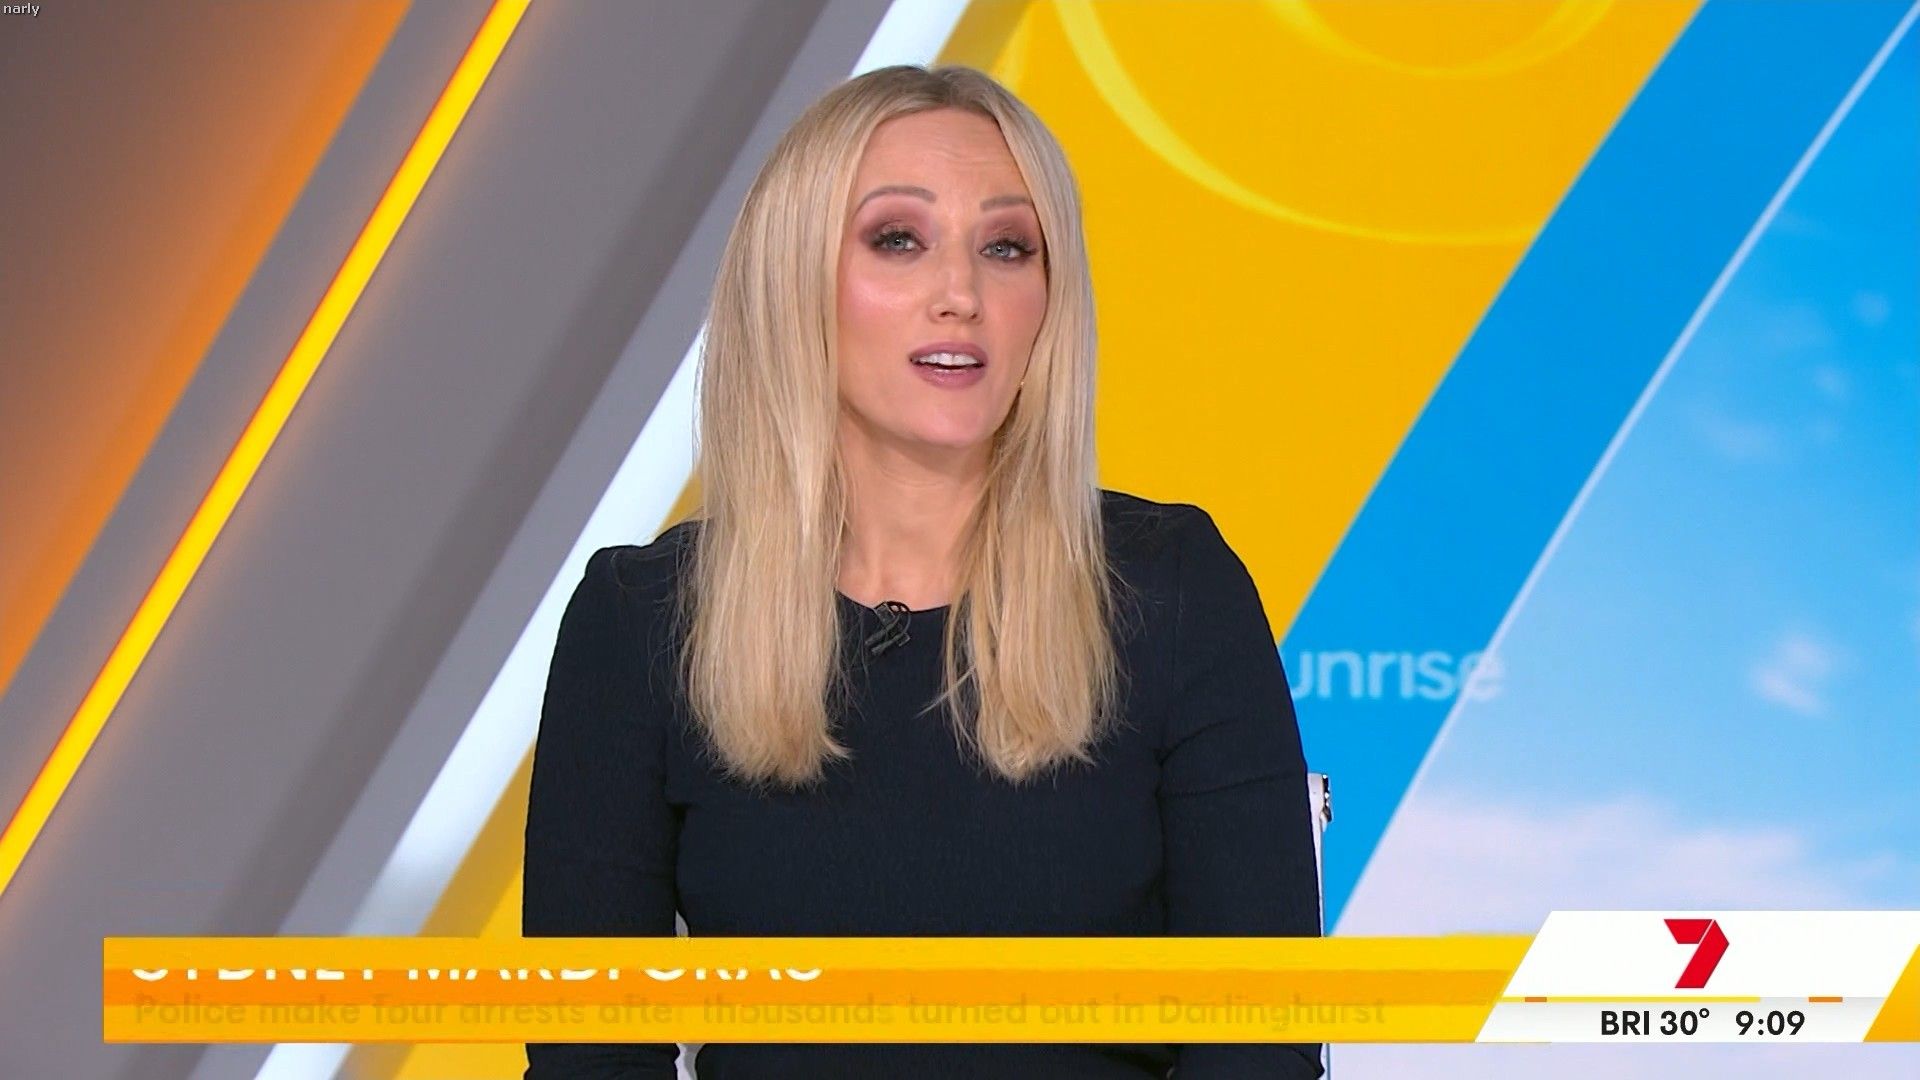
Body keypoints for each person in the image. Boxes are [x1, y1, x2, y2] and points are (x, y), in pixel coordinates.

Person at [523, 63, 1323, 1079]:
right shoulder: (640, 620)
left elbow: (1259, 1047)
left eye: (1007, 247)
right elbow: (589, 1057)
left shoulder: (1172, 591)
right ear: (794, 280)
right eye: (898, 239)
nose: (961, 295)